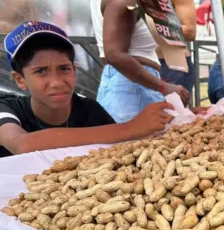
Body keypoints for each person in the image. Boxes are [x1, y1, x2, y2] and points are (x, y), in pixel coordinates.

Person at [0, 21, 174, 157]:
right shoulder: (7, 109)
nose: (57, 82)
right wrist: (129, 127)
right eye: (40, 71)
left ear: (74, 71)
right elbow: (22, 144)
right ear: (20, 79)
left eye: (64, 69)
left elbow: (122, 149)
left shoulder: (90, 111)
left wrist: (175, 120)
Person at [90, 0, 189, 123]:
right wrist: (164, 87)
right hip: (130, 88)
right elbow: (114, 55)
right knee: (132, 142)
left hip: (131, 85)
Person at [156, 0, 196, 100]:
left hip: (172, 65)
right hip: (142, 63)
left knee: (174, 117)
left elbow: (190, 31)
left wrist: (153, 29)